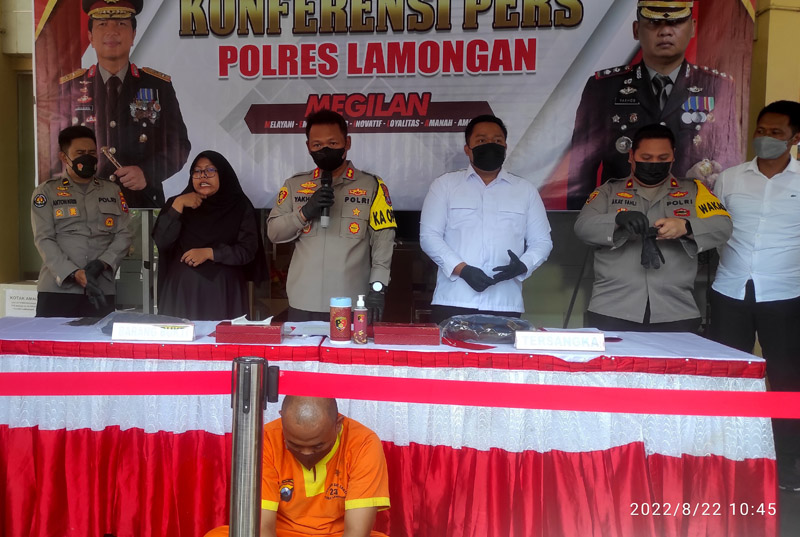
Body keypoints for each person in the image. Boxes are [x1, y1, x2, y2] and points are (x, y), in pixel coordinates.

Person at [566, 0, 739, 209]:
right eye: (654, 23)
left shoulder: (718, 87)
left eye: (676, 22)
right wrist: (580, 220)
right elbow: (581, 171)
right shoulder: (604, 87)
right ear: (636, 30)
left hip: (689, 215)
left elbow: (728, 162)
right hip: (621, 215)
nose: (665, 31)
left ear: (693, 27)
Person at [709, 100, 800, 492]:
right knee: (728, 377)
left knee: (787, 381)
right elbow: (715, 230)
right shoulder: (729, 179)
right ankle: (726, 457)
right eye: (761, 131)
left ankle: (787, 462)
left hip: (786, 295)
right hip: (730, 291)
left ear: (795, 138)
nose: (765, 138)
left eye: (776, 133)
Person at [574, 123, 732, 332]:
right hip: (612, 307)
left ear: (673, 157)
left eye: (662, 158)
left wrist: (686, 226)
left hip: (676, 308)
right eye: (647, 158)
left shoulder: (694, 191)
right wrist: (618, 220)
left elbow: (724, 226)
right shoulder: (608, 191)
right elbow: (582, 227)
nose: (654, 164)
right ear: (631, 156)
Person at [419, 115, 553, 324]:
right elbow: (429, 236)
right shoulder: (444, 186)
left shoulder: (525, 191)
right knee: (449, 348)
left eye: (497, 141)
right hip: (454, 299)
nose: (490, 145)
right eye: (481, 140)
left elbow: (542, 241)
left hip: (505, 303)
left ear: (505, 147)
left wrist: (523, 265)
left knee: (503, 348)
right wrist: (462, 270)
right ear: (467, 148)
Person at [57, 0, 191, 208]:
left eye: (121, 24)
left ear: (133, 35)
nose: (112, 31)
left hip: (141, 204)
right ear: (91, 37)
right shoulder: (70, 89)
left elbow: (179, 145)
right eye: (103, 24)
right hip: (85, 205)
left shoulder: (158, 86)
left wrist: (148, 173)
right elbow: (54, 149)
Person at [267, 110, 396, 323]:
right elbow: (274, 233)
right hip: (303, 300)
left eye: (333, 143)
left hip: (351, 301)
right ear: (308, 146)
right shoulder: (294, 185)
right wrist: (305, 212)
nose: (325, 150)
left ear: (347, 143)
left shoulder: (372, 186)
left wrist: (378, 287)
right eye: (317, 145)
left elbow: (384, 241)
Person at [203, 396, 390, 537]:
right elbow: (262, 526)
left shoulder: (364, 443)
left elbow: (357, 532)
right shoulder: (265, 439)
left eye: (318, 446)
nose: (306, 454)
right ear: (282, 421)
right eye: (295, 445)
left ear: (338, 425)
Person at [31, 125, 133, 317]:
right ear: (64, 157)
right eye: (80, 153)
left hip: (100, 288)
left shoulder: (111, 190)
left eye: (91, 153)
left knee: (98, 336)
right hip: (58, 289)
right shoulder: (47, 191)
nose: (87, 158)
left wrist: (103, 263)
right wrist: (73, 273)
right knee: (53, 337)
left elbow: (124, 234)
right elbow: (44, 239)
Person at [153, 151, 264, 321]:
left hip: (224, 292)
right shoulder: (177, 204)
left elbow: (247, 250)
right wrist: (178, 205)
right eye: (197, 171)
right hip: (182, 293)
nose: (203, 176)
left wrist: (210, 253)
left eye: (210, 170)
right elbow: (161, 242)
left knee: (221, 338)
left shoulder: (240, 206)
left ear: (223, 174)